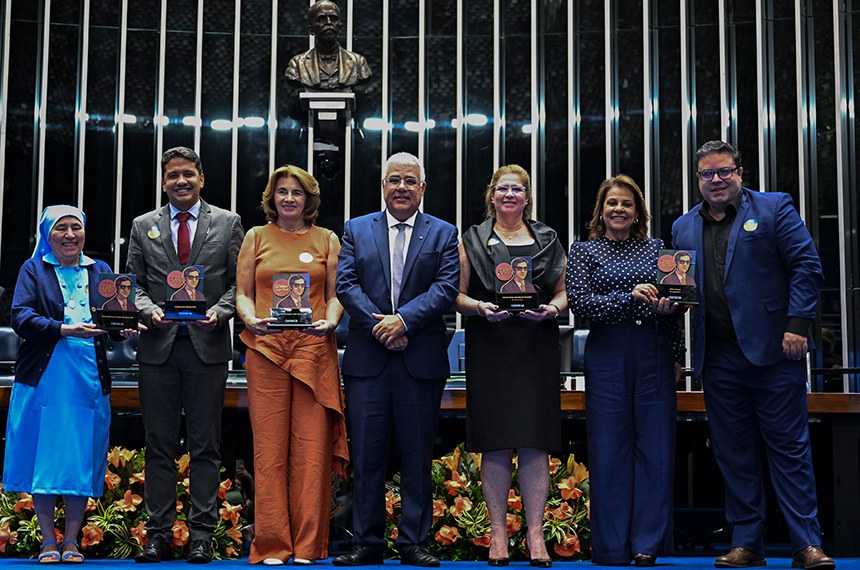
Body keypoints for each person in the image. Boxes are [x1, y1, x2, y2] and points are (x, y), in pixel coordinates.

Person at [672, 141, 834, 570]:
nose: (716, 180)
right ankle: (747, 544)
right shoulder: (682, 228)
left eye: (724, 171)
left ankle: (806, 545)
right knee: (733, 453)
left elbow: (807, 266)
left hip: (776, 351)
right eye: (707, 174)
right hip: (719, 358)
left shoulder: (774, 207)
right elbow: (681, 291)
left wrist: (796, 325)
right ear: (698, 180)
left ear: (740, 172)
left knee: (790, 450)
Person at [333, 152, 459, 567]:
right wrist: (382, 327)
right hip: (369, 361)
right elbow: (346, 285)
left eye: (410, 180)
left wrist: (403, 321)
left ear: (423, 188)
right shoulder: (355, 229)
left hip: (419, 361)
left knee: (416, 455)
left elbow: (445, 289)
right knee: (367, 456)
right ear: (382, 187)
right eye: (393, 180)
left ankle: (412, 543)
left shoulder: (443, 233)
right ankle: (366, 543)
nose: (401, 186)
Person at [128, 147, 244, 564]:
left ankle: (201, 536)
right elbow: (133, 284)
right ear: (163, 181)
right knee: (158, 445)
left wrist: (222, 310)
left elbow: (238, 283)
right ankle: (157, 535)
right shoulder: (143, 226)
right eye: (173, 175)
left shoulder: (229, 223)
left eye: (188, 174)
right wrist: (146, 309)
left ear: (201, 179)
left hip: (206, 347)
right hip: (157, 348)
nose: (181, 181)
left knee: (206, 446)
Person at [4, 205, 139, 563]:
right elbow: (20, 317)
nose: (69, 234)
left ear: (84, 233)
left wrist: (122, 328)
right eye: (60, 228)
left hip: (88, 380)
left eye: (75, 227)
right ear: (47, 236)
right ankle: (48, 540)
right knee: (45, 458)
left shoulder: (102, 271)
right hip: (45, 378)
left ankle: (72, 541)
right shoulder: (33, 269)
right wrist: (62, 329)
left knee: (80, 458)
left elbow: (111, 318)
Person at [566, 175, 684, 567]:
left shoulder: (656, 249)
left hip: (654, 351)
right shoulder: (583, 251)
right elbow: (581, 305)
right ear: (601, 210)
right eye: (612, 203)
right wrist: (630, 298)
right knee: (608, 450)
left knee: (656, 450)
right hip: (607, 353)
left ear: (638, 213)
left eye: (627, 204)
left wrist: (676, 341)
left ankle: (647, 544)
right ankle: (612, 548)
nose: (619, 209)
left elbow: (676, 302)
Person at [454, 165, 567, 567]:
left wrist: (551, 310)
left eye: (516, 189)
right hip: (492, 342)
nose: (509, 195)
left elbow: (562, 291)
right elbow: (458, 294)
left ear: (526, 196)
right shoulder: (472, 238)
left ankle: (536, 535)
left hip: (535, 342)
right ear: (492, 194)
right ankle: (499, 533)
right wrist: (480, 308)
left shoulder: (548, 238)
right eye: (502, 188)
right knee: (496, 440)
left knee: (535, 440)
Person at [236, 165, 348, 566]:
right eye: (281, 192)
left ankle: (308, 546)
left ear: (309, 199)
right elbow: (243, 294)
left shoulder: (328, 239)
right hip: (265, 353)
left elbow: (335, 296)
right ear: (272, 197)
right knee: (268, 453)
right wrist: (249, 318)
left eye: (296, 193)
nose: (288, 198)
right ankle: (270, 545)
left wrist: (332, 320)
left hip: (313, 355)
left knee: (311, 453)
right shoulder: (255, 236)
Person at [285, 0, 372, 91]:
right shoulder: (297, 64)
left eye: (333, 18)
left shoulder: (358, 62)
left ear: (340, 27)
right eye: (321, 19)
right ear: (311, 30)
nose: (329, 22)